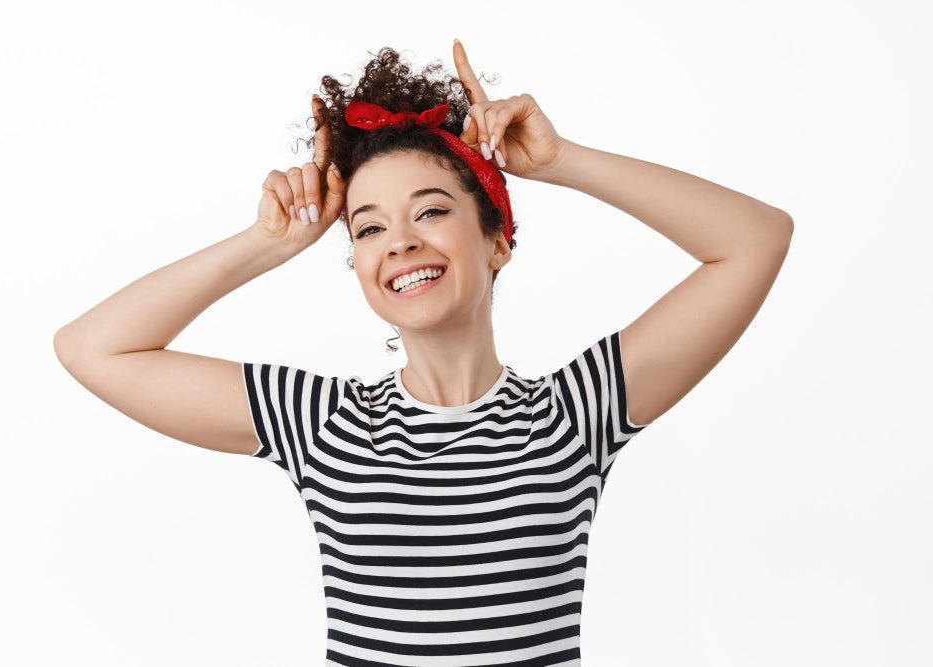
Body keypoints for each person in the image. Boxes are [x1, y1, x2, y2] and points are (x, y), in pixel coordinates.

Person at [54, 40, 793, 666]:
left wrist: (562, 161)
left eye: (432, 211)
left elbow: (755, 240)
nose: (400, 241)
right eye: (368, 228)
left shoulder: (574, 413)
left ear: (499, 239)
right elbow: (93, 347)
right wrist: (265, 244)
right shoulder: (322, 423)